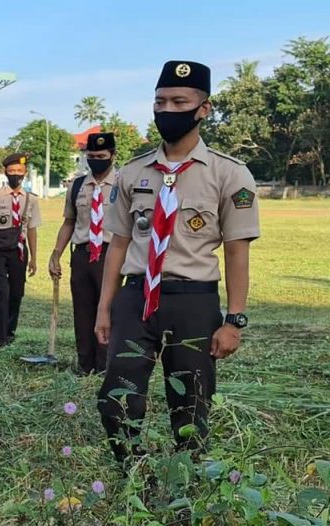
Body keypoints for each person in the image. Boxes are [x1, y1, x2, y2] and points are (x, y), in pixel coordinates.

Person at [95, 61, 260, 460]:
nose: (167, 110)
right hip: (136, 300)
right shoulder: (133, 172)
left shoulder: (229, 174)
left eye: (179, 101)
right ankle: (136, 475)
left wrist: (234, 320)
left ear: (203, 108)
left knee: (191, 406)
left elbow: (238, 250)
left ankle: (186, 486)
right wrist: (105, 308)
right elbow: (118, 243)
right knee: (116, 399)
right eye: (160, 101)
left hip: (194, 303)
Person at [49, 132, 118, 374]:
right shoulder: (77, 185)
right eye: (91, 156)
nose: (96, 160)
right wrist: (56, 253)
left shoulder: (123, 184)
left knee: (108, 310)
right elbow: (69, 222)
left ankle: (105, 366)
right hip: (81, 255)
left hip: (112, 255)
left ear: (113, 156)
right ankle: (85, 365)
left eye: (101, 156)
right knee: (83, 310)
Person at [0, 153, 41, 346]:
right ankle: (1, 338)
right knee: (1, 293)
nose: (16, 174)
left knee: (16, 294)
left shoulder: (31, 200)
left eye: (19, 171)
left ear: (25, 173)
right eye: (12, 171)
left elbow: (32, 230)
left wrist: (33, 259)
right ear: (5, 172)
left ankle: (10, 331)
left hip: (19, 252)